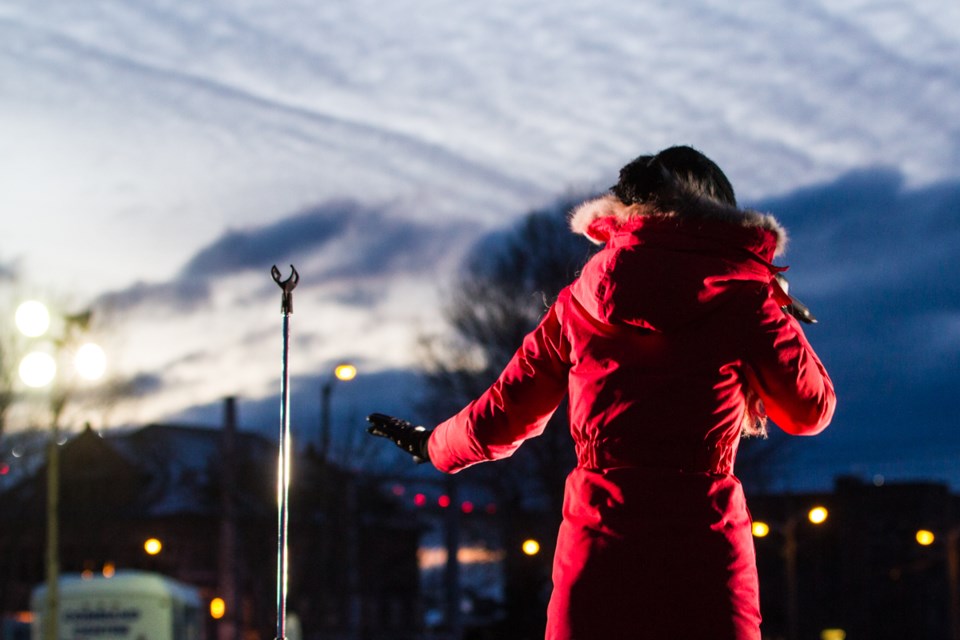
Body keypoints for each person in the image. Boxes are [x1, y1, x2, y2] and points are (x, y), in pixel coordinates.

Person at [367, 145, 836, 639]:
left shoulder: (578, 304)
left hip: (598, 549)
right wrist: (775, 308)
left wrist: (431, 445)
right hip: (704, 554)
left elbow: (502, 415)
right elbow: (810, 411)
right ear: (721, 214)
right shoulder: (747, 300)